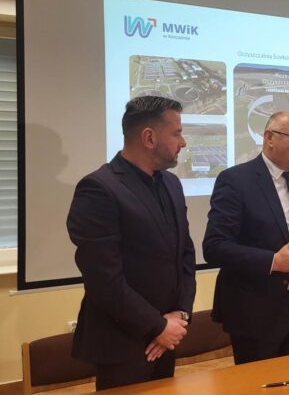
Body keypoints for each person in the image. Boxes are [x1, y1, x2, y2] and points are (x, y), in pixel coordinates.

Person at [67, 96, 195, 391]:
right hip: (122, 341)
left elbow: (185, 256)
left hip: (169, 334)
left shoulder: (172, 184)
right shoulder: (99, 188)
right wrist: (158, 326)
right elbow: (104, 280)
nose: (183, 142)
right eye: (177, 133)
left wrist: (180, 316)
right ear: (149, 137)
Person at [203, 111, 289, 364]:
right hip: (254, 310)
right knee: (257, 383)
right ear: (269, 137)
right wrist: (274, 261)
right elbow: (215, 247)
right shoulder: (236, 180)